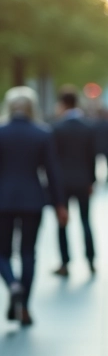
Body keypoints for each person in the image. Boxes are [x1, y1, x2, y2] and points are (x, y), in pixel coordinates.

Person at [0, 86, 65, 327]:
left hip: (3, 201)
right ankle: (24, 306)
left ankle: (12, 284)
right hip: (32, 200)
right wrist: (60, 203)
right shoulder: (42, 133)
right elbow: (52, 171)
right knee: (28, 252)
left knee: (2, 252)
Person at [52, 88, 97, 276]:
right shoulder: (88, 127)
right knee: (86, 221)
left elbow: (52, 160)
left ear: (63, 104)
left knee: (62, 222)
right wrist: (92, 180)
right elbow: (92, 157)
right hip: (83, 180)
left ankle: (65, 262)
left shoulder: (56, 128)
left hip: (62, 182)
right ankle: (90, 259)